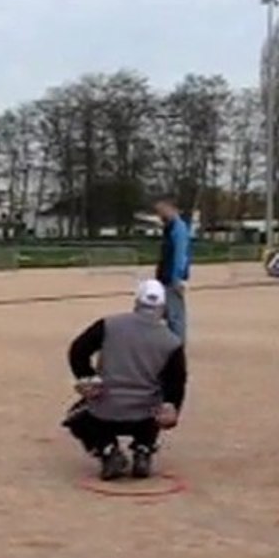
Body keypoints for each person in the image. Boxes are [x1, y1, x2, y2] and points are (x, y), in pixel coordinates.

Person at [62, 279, 187, 481]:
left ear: (136, 302)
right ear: (163, 308)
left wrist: (87, 377)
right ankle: (143, 448)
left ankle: (107, 450)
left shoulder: (109, 325)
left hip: (105, 409)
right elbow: (176, 382)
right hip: (145, 415)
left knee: (75, 418)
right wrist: (173, 407)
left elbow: (78, 350)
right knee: (159, 403)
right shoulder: (171, 341)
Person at [154, 197, 191, 343]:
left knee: (175, 315)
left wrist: (177, 277)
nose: (159, 215)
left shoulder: (178, 228)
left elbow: (180, 254)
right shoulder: (169, 227)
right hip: (165, 277)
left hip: (172, 278)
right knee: (167, 313)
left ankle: (177, 344)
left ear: (171, 208)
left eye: (161, 210)